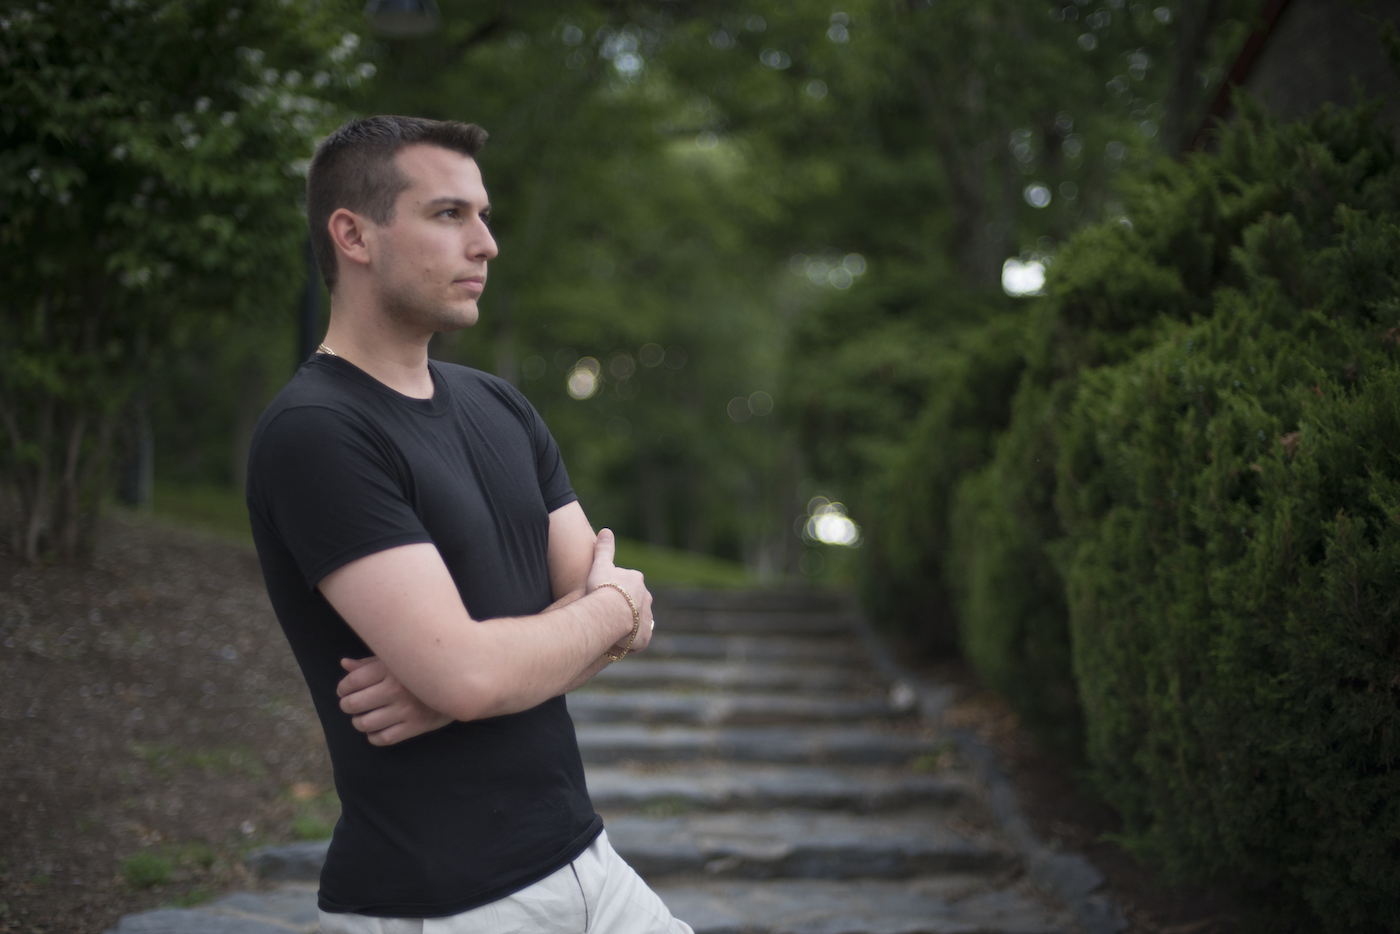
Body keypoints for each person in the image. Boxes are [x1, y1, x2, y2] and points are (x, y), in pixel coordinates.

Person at [245, 115, 692, 934]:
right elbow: (535, 646)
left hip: (589, 864)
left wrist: (470, 683)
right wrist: (606, 610)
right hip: (448, 901)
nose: (485, 244)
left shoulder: (498, 405)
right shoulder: (317, 431)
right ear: (353, 235)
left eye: (483, 216)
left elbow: (618, 626)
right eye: (449, 214)